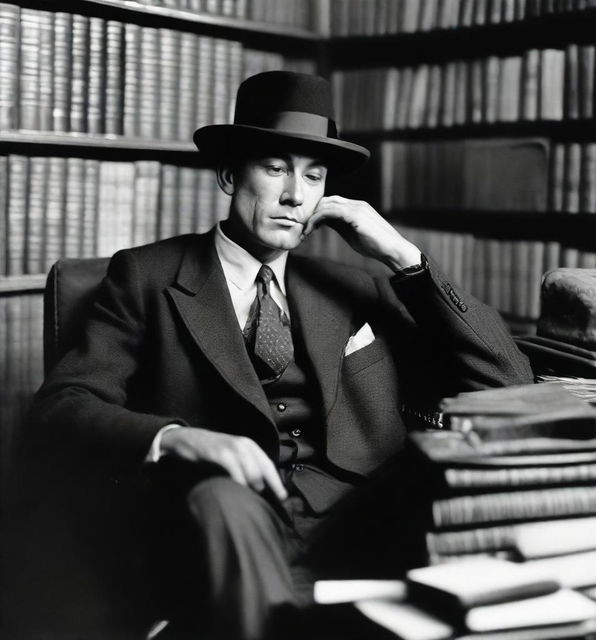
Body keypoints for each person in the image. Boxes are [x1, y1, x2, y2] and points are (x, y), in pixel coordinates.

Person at [30, 71, 533, 639]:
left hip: (356, 519)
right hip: (231, 514)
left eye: (313, 176)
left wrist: (403, 257)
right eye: (276, 168)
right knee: (223, 501)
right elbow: (63, 404)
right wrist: (177, 437)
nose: (296, 194)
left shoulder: (354, 286)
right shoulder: (146, 276)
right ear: (229, 173)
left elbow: (506, 380)